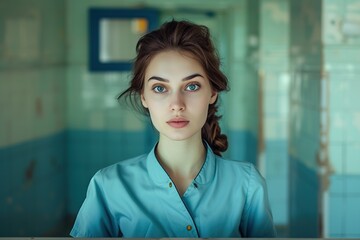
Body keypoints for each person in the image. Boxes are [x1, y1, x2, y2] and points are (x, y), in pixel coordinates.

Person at [70, 20, 276, 238]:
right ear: (144, 97)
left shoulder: (247, 184)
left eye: (192, 86)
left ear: (212, 92)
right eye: (160, 88)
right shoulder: (109, 186)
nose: (177, 104)